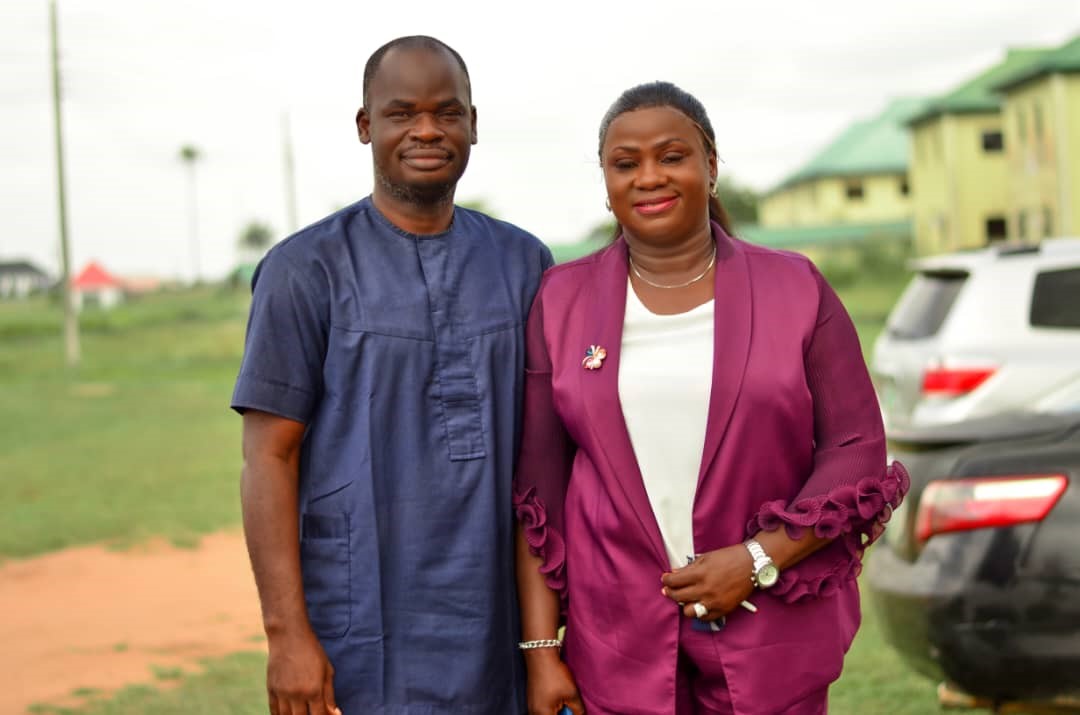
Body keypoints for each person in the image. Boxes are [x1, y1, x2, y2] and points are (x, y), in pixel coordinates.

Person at [513, 81, 909, 715]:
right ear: (607, 179)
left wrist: (757, 558)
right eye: (626, 163)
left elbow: (857, 450)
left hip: (769, 636)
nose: (649, 177)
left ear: (711, 166)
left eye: (671, 156)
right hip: (617, 645)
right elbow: (540, 490)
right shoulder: (561, 301)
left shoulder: (795, 287)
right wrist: (539, 650)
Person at [232, 35, 553, 714]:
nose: (428, 130)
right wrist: (287, 638)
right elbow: (268, 454)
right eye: (403, 112)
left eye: (448, 111)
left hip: (497, 628)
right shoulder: (303, 271)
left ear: (473, 123)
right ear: (365, 125)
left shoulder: (525, 265)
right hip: (361, 631)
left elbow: (548, 464)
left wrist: (543, 645)